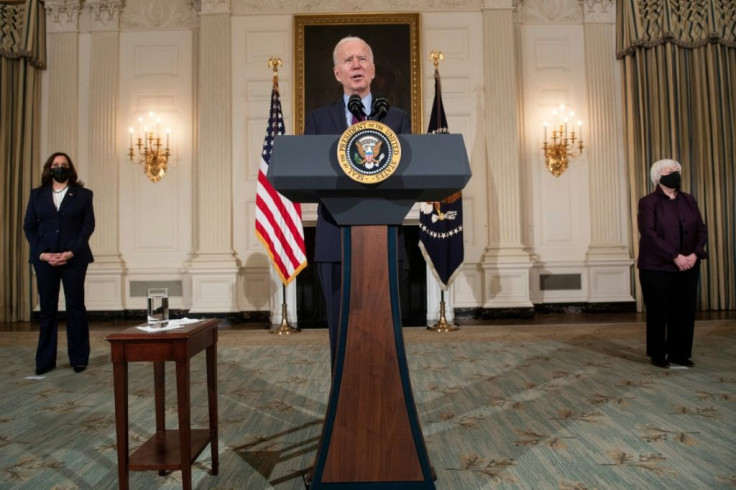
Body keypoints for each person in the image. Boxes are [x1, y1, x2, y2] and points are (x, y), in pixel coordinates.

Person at [303, 36, 411, 364]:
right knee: (341, 329)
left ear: (373, 69)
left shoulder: (396, 118)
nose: (356, 65)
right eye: (348, 60)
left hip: (386, 239)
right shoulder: (319, 121)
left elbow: (409, 175)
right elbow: (308, 173)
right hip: (335, 239)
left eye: (362, 59)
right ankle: (342, 406)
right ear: (337, 73)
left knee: (384, 330)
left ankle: (388, 404)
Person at [23, 152, 95, 375]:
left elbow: (88, 226)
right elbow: (29, 227)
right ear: (49, 168)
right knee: (47, 310)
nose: (59, 168)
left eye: (64, 165)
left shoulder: (83, 194)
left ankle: (79, 358)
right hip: (45, 260)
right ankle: (45, 361)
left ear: (70, 169)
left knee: (75, 308)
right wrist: (43, 254)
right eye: (56, 165)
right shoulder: (37, 195)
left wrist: (71, 252)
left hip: (74, 259)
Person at [637, 158, 707, 369]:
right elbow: (649, 233)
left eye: (678, 170)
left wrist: (695, 254)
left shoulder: (688, 199)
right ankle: (658, 354)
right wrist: (675, 256)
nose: (676, 173)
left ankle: (680, 354)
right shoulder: (648, 202)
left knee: (684, 311)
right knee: (659, 312)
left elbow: (701, 230)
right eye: (671, 170)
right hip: (657, 267)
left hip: (688, 264)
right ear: (658, 177)